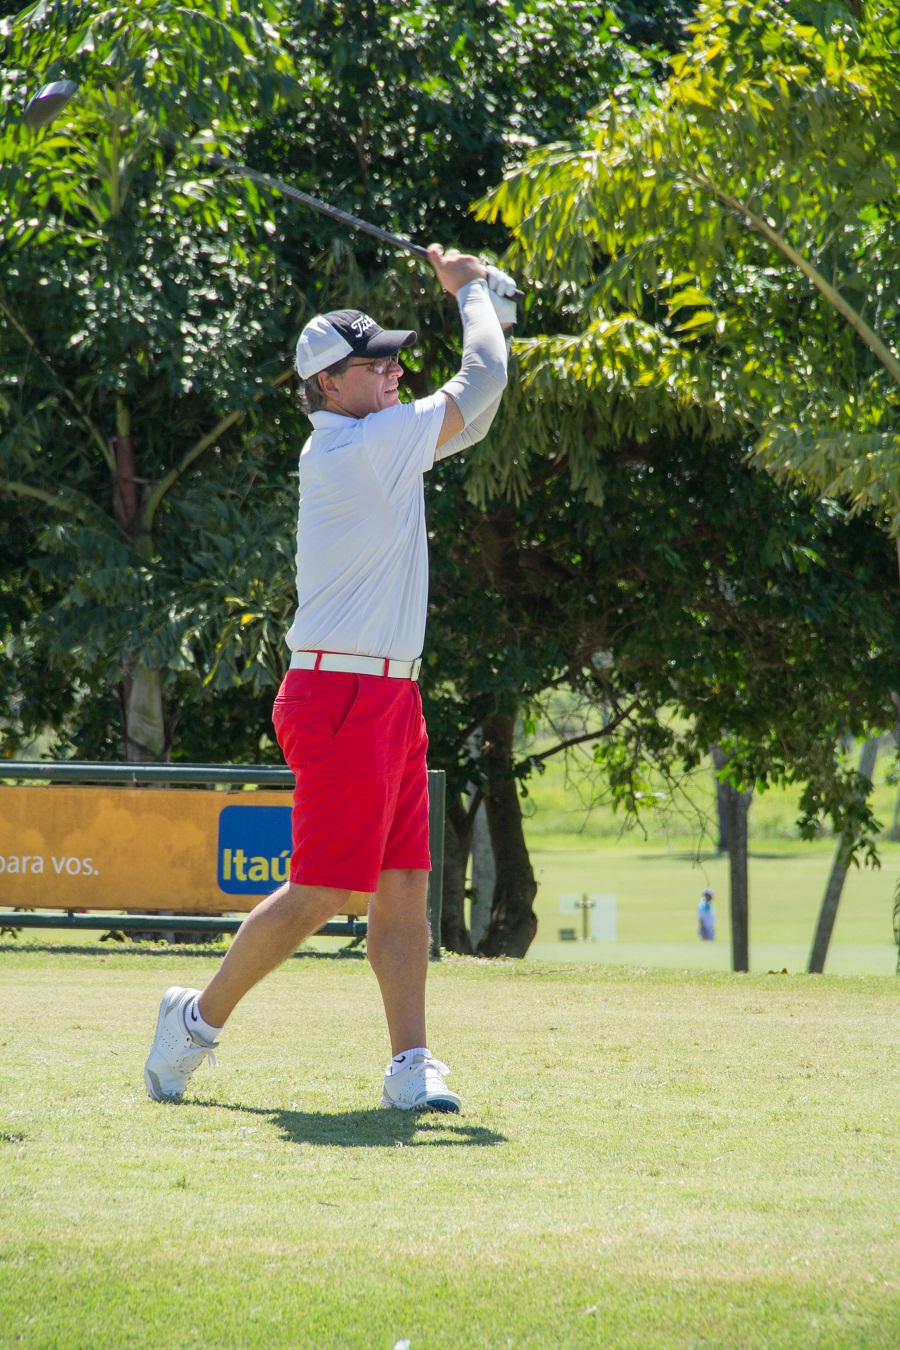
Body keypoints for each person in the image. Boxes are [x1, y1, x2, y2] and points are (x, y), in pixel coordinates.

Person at [144, 245, 516, 1113]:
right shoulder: (359, 446)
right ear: (327, 383)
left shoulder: (380, 439)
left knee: (405, 885)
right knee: (321, 890)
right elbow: (484, 379)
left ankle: (410, 1063)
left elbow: (477, 414)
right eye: (374, 363)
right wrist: (471, 292)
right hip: (341, 695)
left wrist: (492, 307)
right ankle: (194, 1022)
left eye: (392, 359)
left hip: (389, 696)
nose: (393, 370)